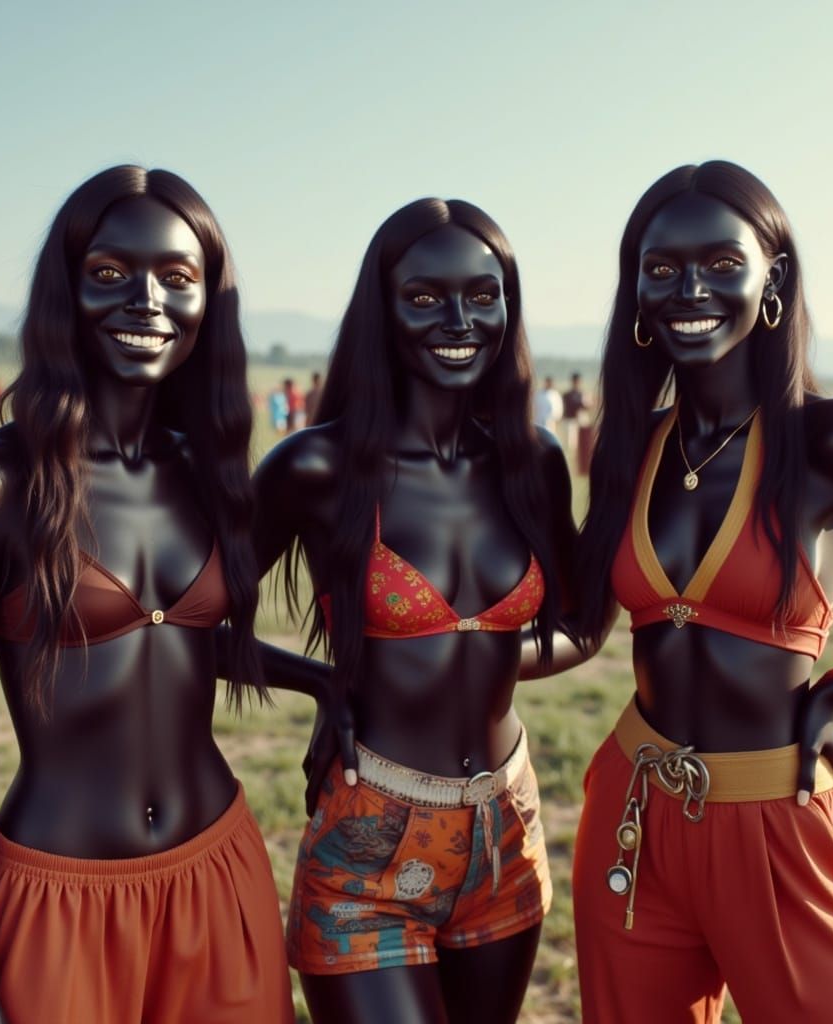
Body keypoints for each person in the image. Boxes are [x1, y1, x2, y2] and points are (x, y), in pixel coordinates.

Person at [0, 166, 294, 1024]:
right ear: (67, 290)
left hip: (218, 875)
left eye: (177, 277)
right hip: (57, 897)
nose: (147, 300)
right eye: (111, 272)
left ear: (208, 301)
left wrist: (325, 683)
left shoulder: (208, 472)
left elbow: (177, 640)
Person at [572, 160, 833, 1022]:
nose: (690, 289)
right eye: (662, 268)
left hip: (781, 815)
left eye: (723, 263)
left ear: (774, 278)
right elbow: (574, 626)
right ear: (636, 290)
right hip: (634, 817)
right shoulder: (629, 448)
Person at [251, 198, 583, 1024]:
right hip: (369, 838)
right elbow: (189, 623)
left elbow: (580, 625)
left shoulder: (532, 462)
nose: (459, 320)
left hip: (506, 831)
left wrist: (489, 657)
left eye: (483, 294)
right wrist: (324, 683)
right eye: (426, 297)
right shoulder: (318, 467)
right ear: (383, 311)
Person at [560, 371, 587, 449]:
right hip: (569, 421)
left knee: (581, 443)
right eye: (575, 381)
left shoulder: (582, 394)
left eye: (578, 381)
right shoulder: (567, 395)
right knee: (570, 444)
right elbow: (564, 408)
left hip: (580, 420)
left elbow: (587, 407)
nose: (577, 383)